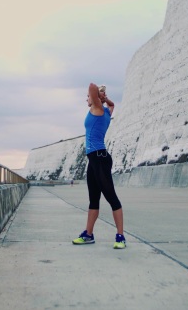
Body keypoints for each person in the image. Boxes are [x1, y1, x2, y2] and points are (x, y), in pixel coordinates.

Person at [72, 83, 126, 249]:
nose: (86, 98)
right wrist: (105, 98)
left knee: (111, 197)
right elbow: (112, 104)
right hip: (94, 159)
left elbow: (91, 86)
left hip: (100, 158)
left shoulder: (98, 109)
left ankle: (120, 236)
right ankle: (88, 234)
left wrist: (100, 95)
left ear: (95, 98)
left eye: (88, 97)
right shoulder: (107, 112)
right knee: (93, 199)